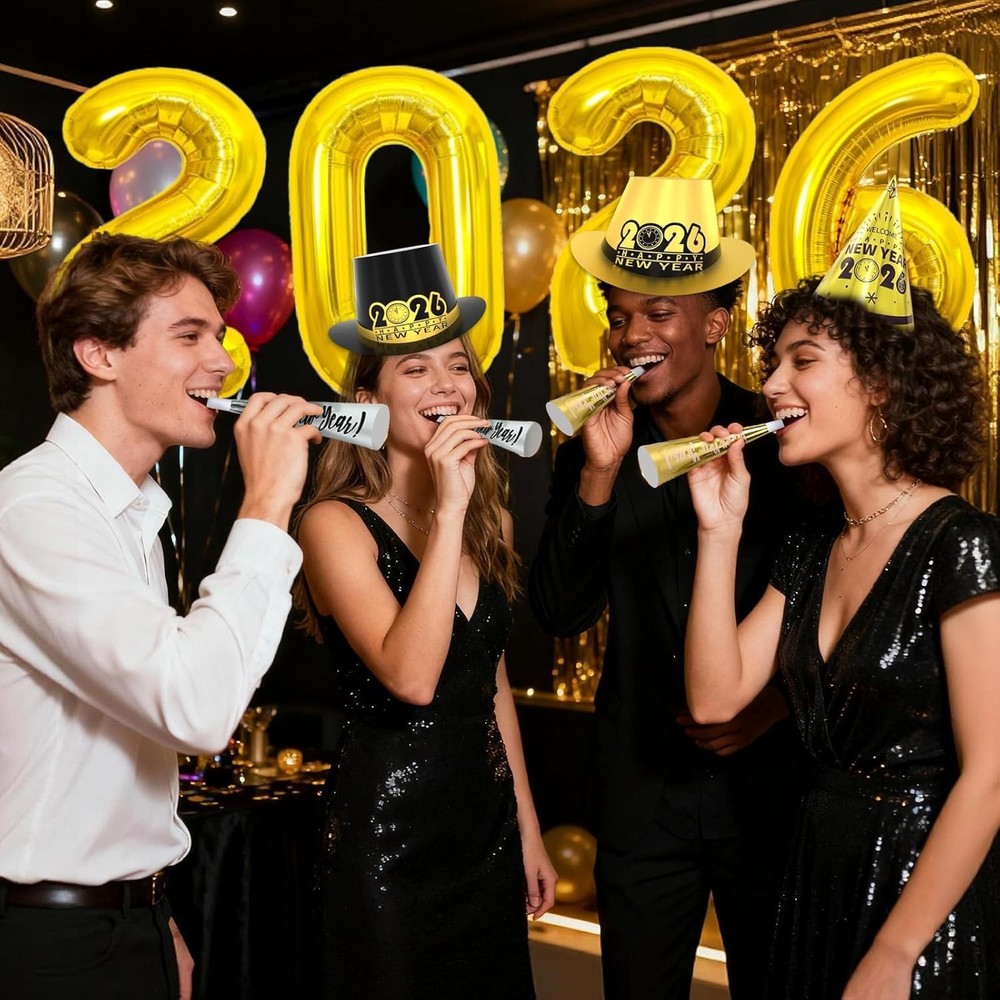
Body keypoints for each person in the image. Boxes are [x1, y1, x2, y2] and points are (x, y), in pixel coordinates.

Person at [684, 180, 1000, 997]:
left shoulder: (960, 543)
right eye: (773, 363)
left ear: (882, 383)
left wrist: (897, 952)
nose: (772, 385)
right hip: (814, 878)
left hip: (922, 897)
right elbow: (715, 700)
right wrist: (719, 531)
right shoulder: (811, 547)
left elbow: (991, 775)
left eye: (803, 362)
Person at [0, 232, 322, 1000]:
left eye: (220, 335)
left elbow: (119, 756)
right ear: (98, 354)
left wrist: (150, 911)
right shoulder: (37, 508)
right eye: (189, 336)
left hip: (126, 920)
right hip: (49, 944)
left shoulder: (131, 512)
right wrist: (268, 500)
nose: (223, 362)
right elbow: (194, 709)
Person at [528, 175, 810, 999]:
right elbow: (558, 612)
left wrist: (775, 706)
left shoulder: (785, 443)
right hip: (641, 795)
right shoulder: (592, 447)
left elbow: (838, 607)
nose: (631, 335)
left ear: (714, 324)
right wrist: (598, 474)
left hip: (768, 791)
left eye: (657, 314)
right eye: (618, 316)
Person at [293, 243, 555, 999]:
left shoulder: (490, 520)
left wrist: (527, 827)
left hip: (486, 831)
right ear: (368, 402)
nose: (447, 385)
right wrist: (447, 511)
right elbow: (413, 678)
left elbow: (489, 686)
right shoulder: (332, 524)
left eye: (457, 366)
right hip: (388, 843)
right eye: (416, 369)